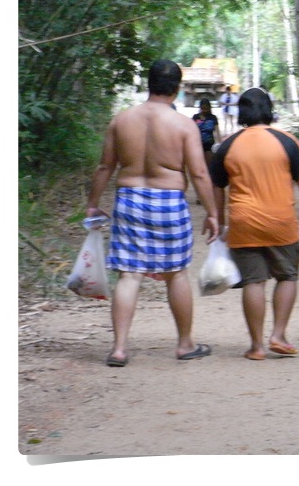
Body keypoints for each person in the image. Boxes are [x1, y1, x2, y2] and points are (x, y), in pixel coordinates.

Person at [85, 59, 220, 367]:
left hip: (129, 200)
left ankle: (119, 349)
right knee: (176, 274)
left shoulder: (122, 120)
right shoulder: (183, 125)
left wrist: (92, 202)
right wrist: (212, 212)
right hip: (169, 202)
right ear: (177, 88)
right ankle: (185, 344)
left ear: (149, 84)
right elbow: (199, 172)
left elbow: (105, 166)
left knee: (129, 274)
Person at [210, 87, 299, 361]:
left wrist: (219, 221)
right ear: (269, 110)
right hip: (280, 222)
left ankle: (257, 346)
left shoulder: (228, 145)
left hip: (243, 222)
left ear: (242, 112)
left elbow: (217, 187)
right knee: (287, 276)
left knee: (253, 281)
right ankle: (278, 335)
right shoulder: (287, 141)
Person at [192, 98, 222, 167]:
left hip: (209, 144)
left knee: (209, 165)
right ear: (200, 108)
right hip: (197, 144)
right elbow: (191, 130)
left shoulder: (213, 117)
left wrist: (219, 143)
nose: (204, 110)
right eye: (203, 108)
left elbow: (217, 131)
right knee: (198, 165)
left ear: (209, 108)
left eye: (206, 108)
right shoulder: (195, 117)